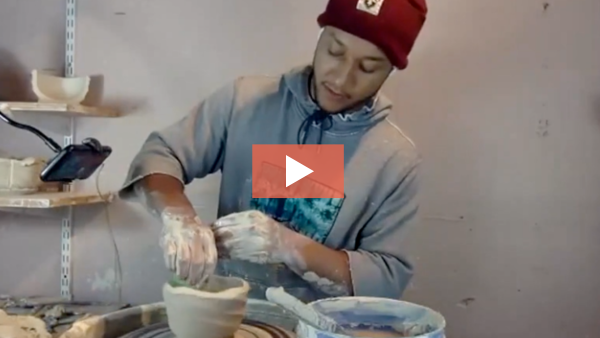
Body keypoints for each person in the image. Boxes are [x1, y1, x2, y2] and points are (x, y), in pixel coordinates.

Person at [119, 0, 428, 302]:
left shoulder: (394, 159)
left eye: (368, 67)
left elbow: (387, 279)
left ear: (391, 71)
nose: (341, 78)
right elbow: (160, 155)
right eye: (335, 51)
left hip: (321, 326)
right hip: (231, 313)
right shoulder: (245, 101)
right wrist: (179, 218)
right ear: (320, 36)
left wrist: (287, 246)